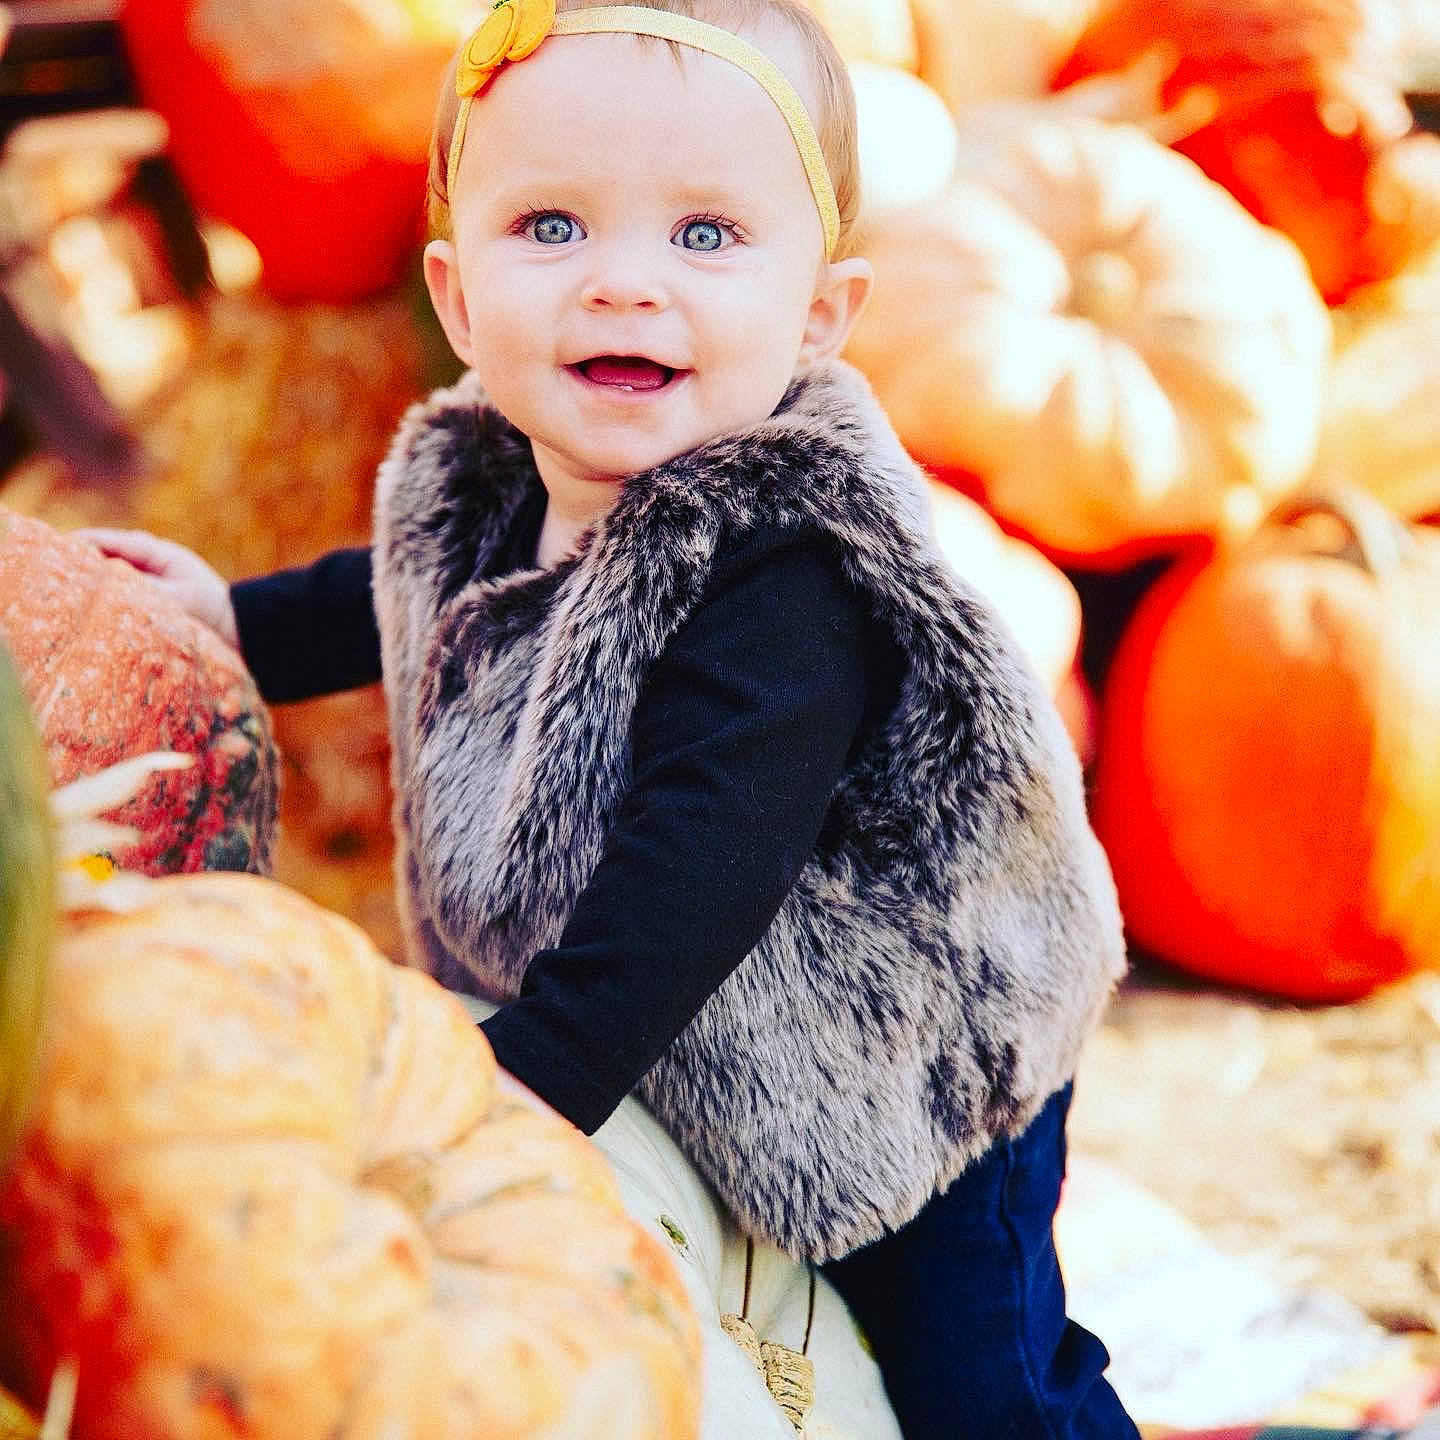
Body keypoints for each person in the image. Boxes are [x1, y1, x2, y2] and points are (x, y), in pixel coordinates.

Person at [81, 0, 1139, 1433]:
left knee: (976, 1380)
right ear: (457, 299)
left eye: (704, 236)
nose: (624, 286)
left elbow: (699, 872)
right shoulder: (505, 469)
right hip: (686, 1037)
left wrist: (507, 1098)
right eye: (554, 228)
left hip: (908, 1063)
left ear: (819, 316)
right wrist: (231, 618)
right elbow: (396, 589)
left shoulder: (788, 572)